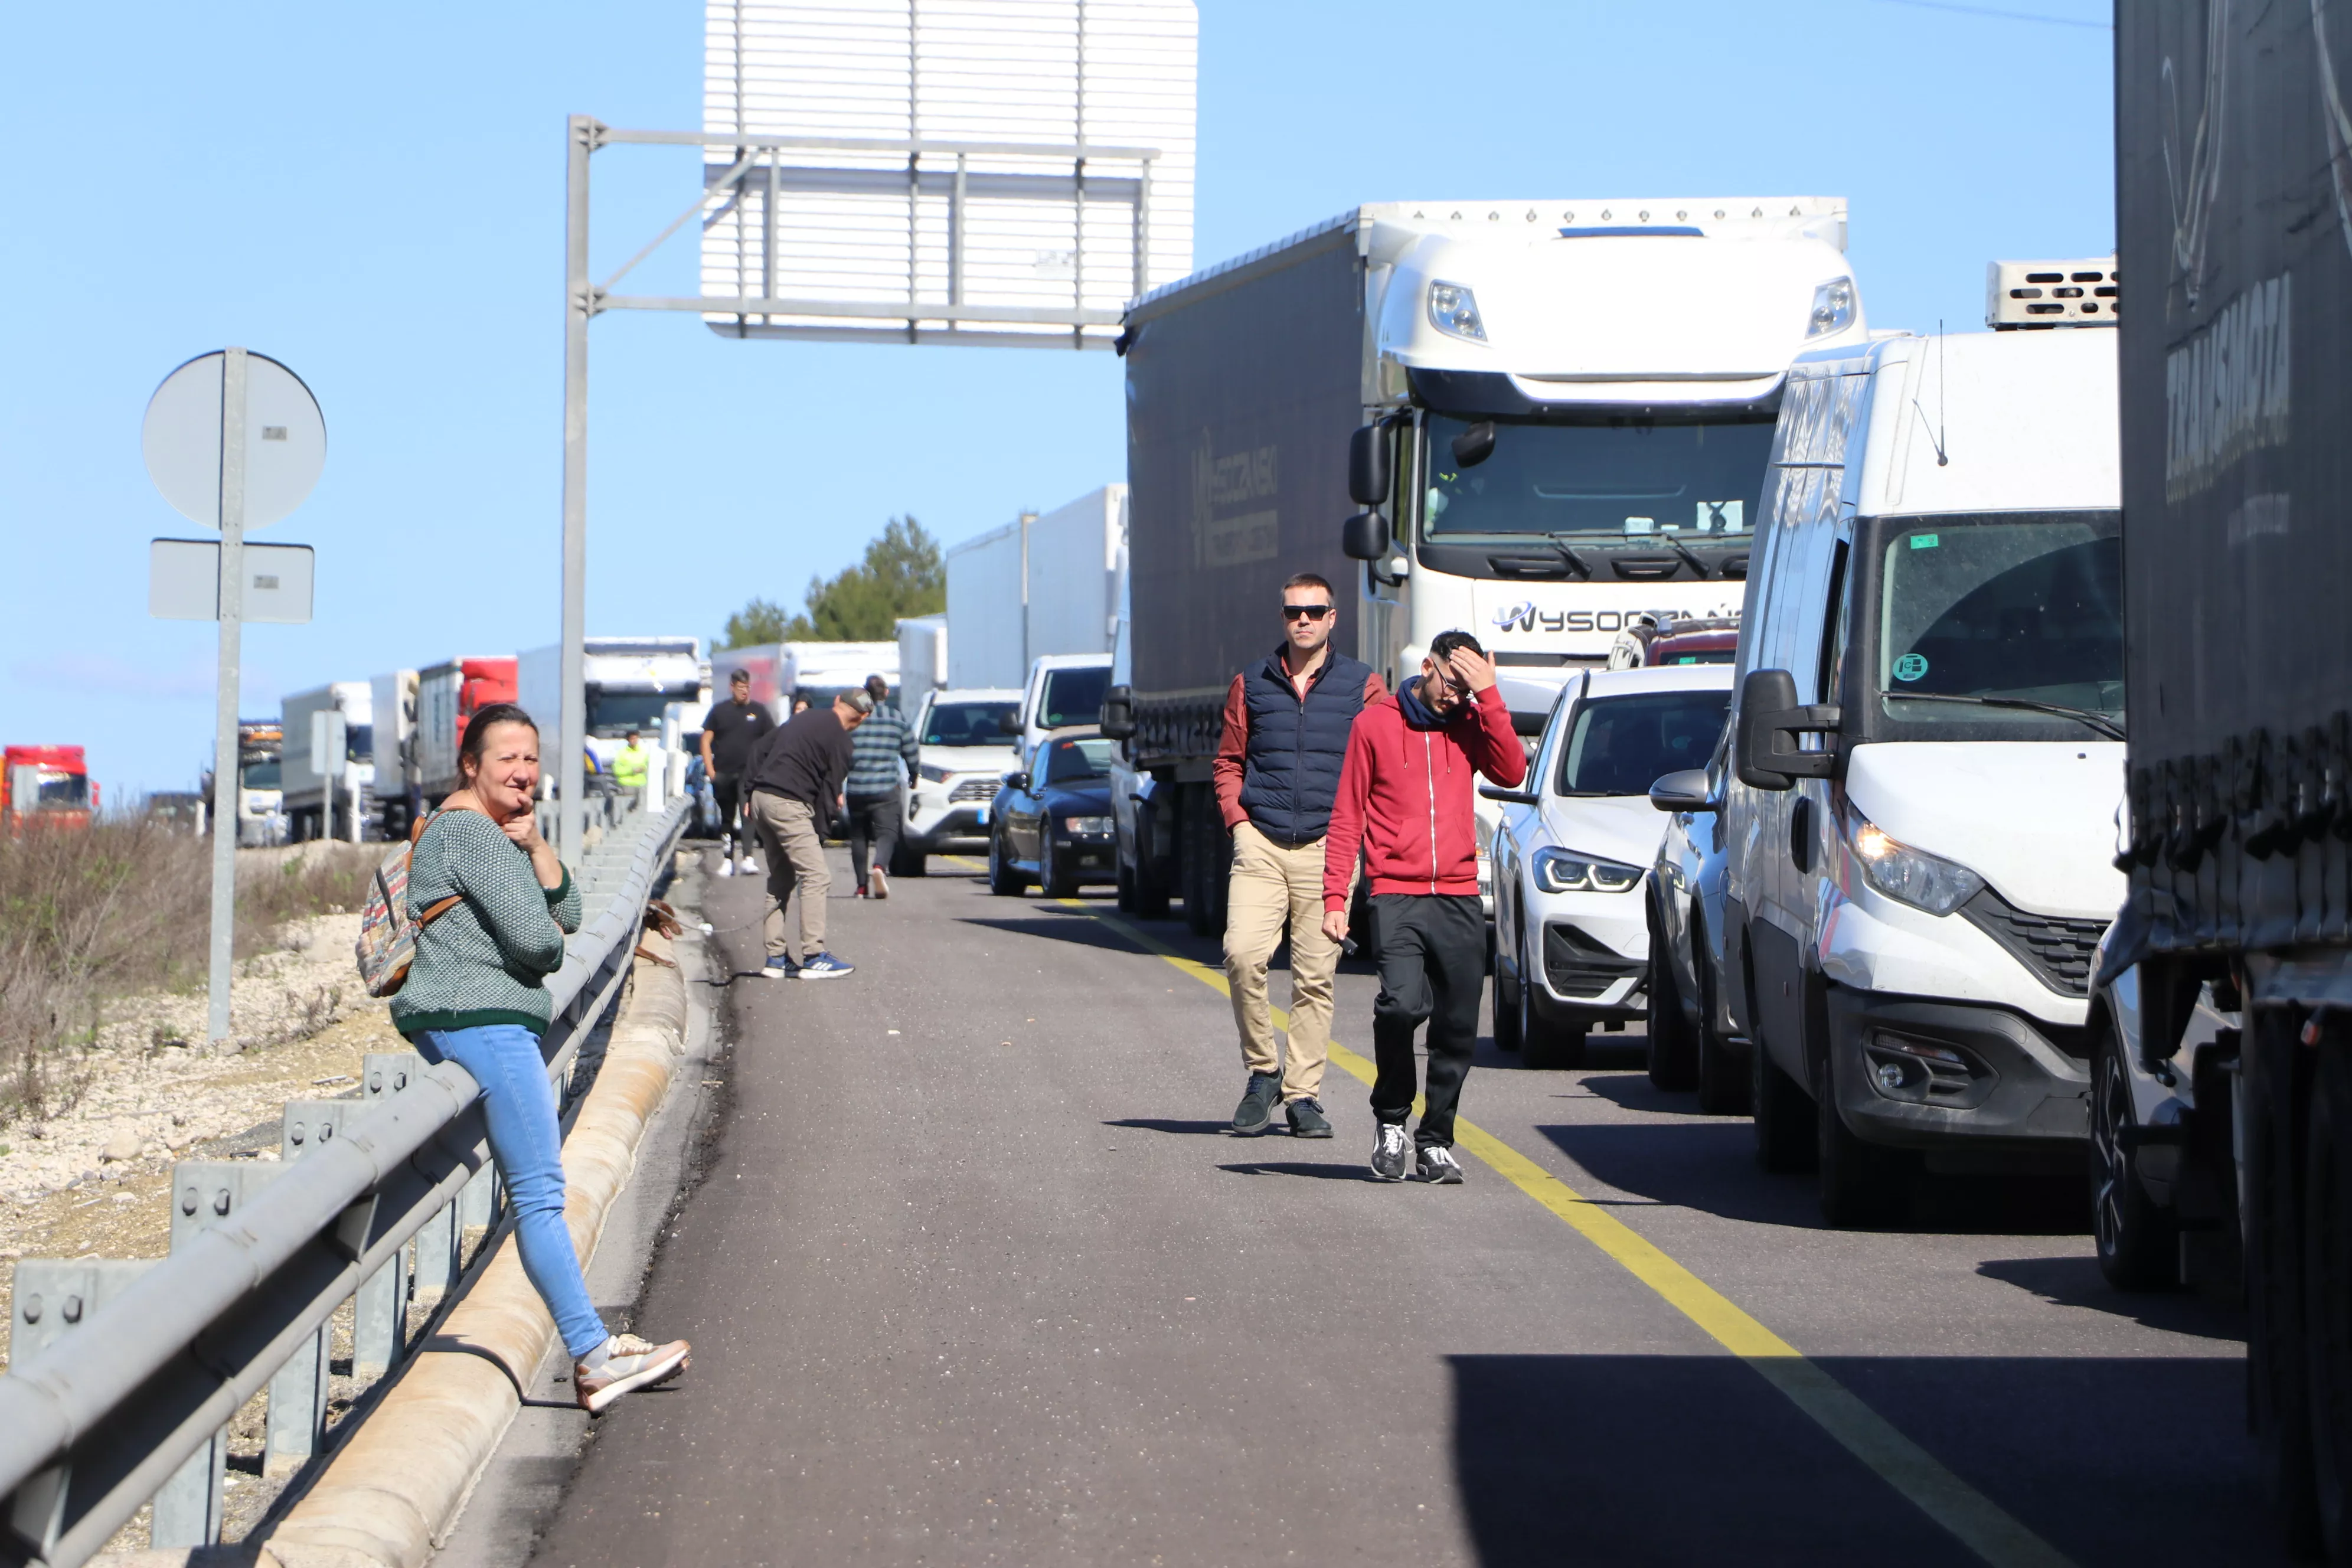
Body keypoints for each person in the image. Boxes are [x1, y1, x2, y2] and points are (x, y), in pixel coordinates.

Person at [390, 703, 690, 1411]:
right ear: (472, 765)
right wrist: (540, 920)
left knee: (537, 1195)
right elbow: (544, 944)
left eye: (531, 759)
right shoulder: (473, 834)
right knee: (541, 1196)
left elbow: (573, 910)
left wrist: (532, 848)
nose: (525, 772)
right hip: (489, 1022)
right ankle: (592, 1355)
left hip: (466, 1018)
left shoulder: (475, 830)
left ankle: (594, 1350)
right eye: (507, 759)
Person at [1320, 631, 1525, 1183]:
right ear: (1429, 667)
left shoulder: (1472, 723)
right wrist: (1336, 897)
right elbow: (1347, 816)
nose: (1456, 697)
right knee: (1401, 1006)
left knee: (1458, 1023)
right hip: (1396, 892)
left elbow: (1512, 771)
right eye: (1451, 684)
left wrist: (1492, 696)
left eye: (1467, 688)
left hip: (1458, 893)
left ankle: (1435, 1140)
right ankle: (1391, 1121)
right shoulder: (1375, 725)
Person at [1214, 573, 1384, 1138]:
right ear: (1283, 617)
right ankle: (1263, 1072)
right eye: (1293, 612)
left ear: (1333, 617)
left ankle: (1302, 1096)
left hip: (1328, 849)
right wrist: (1238, 823)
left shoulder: (1364, 686)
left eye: (1314, 611)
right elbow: (1229, 762)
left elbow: (1381, 769)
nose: (1303, 620)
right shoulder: (1253, 683)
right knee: (1241, 954)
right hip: (1261, 842)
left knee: (1315, 979)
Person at [744, 687, 872, 978]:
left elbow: (759, 749)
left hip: (762, 799)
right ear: (862, 717)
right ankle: (814, 955)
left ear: (838, 701)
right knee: (816, 875)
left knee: (782, 877)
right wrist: (821, 833)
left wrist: (750, 793)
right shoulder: (842, 742)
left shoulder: (804, 718)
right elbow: (830, 793)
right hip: (789, 804)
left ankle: (775, 958)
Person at [844, 674, 919, 899]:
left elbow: (841, 750)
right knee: (887, 832)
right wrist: (914, 774)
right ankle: (879, 867)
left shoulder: (856, 719)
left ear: (866, 694)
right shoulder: (897, 718)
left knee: (858, 837)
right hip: (886, 788)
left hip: (857, 788)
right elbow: (911, 750)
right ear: (886, 693)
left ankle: (860, 886)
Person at [700, 668, 775, 877]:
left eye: (748, 688)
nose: (745, 692)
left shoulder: (759, 711)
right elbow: (706, 740)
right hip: (723, 772)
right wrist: (711, 770)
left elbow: (772, 739)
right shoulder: (719, 711)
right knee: (726, 817)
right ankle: (727, 859)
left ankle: (748, 858)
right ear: (732, 687)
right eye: (741, 688)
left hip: (749, 774)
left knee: (748, 814)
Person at [610, 729, 650, 797]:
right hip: (627, 785)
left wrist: (643, 769)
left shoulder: (644, 753)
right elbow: (617, 770)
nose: (634, 741)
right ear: (628, 740)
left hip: (641, 785)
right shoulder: (621, 753)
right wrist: (632, 770)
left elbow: (648, 767)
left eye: (636, 738)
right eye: (632, 739)